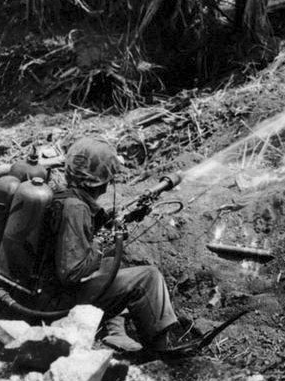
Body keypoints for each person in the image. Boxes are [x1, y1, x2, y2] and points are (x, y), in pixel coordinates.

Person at [34, 138, 198, 354]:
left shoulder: (66, 197)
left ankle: (115, 331)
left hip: (42, 291)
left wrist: (119, 218)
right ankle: (161, 350)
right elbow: (71, 273)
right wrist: (99, 243)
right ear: (102, 180)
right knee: (148, 278)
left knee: (111, 260)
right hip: (55, 302)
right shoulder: (76, 209)